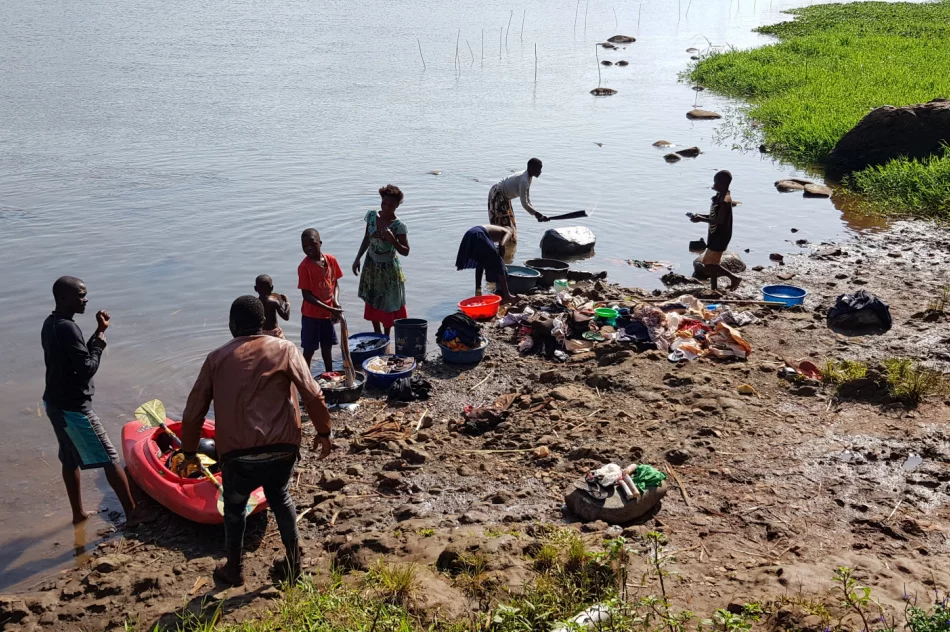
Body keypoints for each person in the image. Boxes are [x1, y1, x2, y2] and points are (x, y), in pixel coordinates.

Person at [177, 296, 333, 587]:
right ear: (262, 323)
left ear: (232, 325)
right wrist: (324, 432)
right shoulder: (286, 349)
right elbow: (312, 393)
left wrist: (188, 451)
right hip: (283, 448)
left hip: (238, 455)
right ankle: (293, 564)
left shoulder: (216, 358)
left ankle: (234, 569)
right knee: (281, 496)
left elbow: (194, 410)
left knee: (235, 507)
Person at [41, 276, 147, 527]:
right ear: (63, 298)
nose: (85, 299)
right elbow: (87, 367)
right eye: (80, 295)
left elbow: (76, 360)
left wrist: (99, 331)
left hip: (54, 403)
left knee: (69, 458)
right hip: (74, 408)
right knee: (109, 457)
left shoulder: (52, 323)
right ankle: (133, 515)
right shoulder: (67, 328)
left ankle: (77, 514)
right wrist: (99, 344)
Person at [352, 185, 410, 335]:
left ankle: (386, 336)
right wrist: (357, 258)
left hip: (388, 269)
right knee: (373, 299)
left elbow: (405, 251)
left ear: (397, 205)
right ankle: (377, 333)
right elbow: (366, 239)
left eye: (391, 205)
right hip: (371, 265)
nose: (386, 207)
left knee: (387, 303)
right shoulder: (372, 216)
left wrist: (393, 240)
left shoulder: (399, 226)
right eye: (384, 203)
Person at [298, 229, 344, 373]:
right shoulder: (304, 267)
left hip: (327, 315)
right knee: (309, 349)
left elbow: (334, 283)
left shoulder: (330, 260)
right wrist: (330, 309)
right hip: (311, 316)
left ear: (320, 243)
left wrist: (335, 301)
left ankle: (329, 372)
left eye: (312, 244)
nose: (309, 249)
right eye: (305, 246)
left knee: (327, 346)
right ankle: (305, 377)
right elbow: (306, 295)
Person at [690, 170, 742, 291]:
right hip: (715, 234)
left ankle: (734, 278)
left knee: (708, 264)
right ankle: (714, 287)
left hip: (721, 236)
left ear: (723, 184)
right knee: (713, 264)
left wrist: (701, 220)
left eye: (716, 182)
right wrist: (701, 216)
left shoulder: (725, 201)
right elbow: (714, 216)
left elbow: (719, 220)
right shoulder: (719, 196)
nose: (714, 184)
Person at [488, 158, 549, 240]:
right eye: (538, 169)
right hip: (498, 195)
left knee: (510, 225)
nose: (540, 171)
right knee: (503, 227)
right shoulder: (524, 181)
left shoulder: (528, 177)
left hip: (504, 197)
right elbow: (524, 203)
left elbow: (527, 198)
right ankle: (500, 248)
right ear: (531, 168)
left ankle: (503, 246)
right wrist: (536, 214)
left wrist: (537, 214)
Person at [455, 225, 514, 303]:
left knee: (481, 262)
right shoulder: (508, 232)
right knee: (498, 263)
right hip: (480, 234)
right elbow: (502, 245)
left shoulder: (496, 230)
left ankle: (478, 290)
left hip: (470, 234)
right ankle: (507, 295)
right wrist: (501, 261)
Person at [255, 275, 290, 339]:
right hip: (275, 333)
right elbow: (286, 317)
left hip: (260, 334)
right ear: (272, 288)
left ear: (255, 289)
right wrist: (287, 303)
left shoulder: (255, 303)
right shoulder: (274, 303)